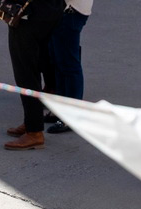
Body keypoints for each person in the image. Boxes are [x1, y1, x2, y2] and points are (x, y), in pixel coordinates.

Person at [4, 1, 67, 150]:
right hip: (51, 10)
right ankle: (32, 123)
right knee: (42, 61)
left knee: (26, 73)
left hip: (27, 13)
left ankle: (34, 131)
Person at [44, 0, 92, 135]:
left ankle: (71, 115)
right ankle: (61, 110)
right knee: (58, 62)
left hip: (71, 11)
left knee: (68, 64)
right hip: (64, 10)